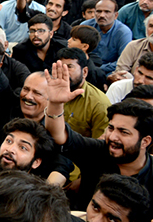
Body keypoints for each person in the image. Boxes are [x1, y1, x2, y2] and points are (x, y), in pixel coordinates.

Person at [44, 65, 153, 214]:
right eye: (111, 128)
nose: (113, 137)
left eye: (123, 132)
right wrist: (55, 104)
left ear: (145, 141)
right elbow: (59, 136)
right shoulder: (97, 151)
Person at [82, 0, 133, 75]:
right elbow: (76, 52)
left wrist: (98, 69)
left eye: (107, 12)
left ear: (115, 15)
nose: (102, 15)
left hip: (109, 71)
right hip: (85, 68)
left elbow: (123, 62)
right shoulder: (85, 26)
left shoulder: (123, 32)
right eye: (99, 11)